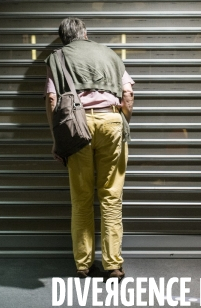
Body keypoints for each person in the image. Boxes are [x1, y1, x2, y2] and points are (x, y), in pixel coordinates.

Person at [44, 17, 134, 281]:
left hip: (76, 125)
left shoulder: (57, 58)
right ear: (85, 33)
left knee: (81, 198)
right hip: (111, 120)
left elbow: (51, 98)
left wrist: (56, 138)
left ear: (63, 38)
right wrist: (122, 121)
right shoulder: (110, 54)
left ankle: (83, 265)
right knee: (111, 196)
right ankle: (113, 265)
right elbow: (128, 94)